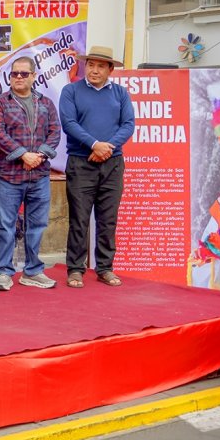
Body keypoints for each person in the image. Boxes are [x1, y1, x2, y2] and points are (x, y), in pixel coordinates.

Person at [58, 45, 134, 288]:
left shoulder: (120, 94)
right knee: (79, 218)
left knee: (108, 218)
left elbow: (128, 124)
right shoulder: (71, 91)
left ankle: (105, 268)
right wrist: (93, 144)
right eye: (91, 64)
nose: (94, 70)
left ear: (110, 69)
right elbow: (69, 122)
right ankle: (76, 269)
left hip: (112, 163)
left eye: (101, 66)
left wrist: (107, 147)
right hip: (81, 163)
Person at [0, 56, 61, 291]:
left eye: (23, 74)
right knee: (6, 225)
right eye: (14, 74)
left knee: (37, 225)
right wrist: (22, 154)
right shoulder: (0, 103)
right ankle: (3, 272)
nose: (18, 78)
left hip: (39, 175)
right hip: (9, 176)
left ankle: (32, 271)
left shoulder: (47, 104)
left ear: (33, 76)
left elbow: (55, 133)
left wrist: (39, 155)